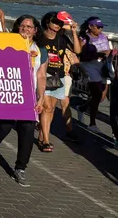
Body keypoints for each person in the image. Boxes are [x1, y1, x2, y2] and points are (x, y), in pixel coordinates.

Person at [0, 15, 47, 187]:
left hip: (30, 96)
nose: (26, 29)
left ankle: (20, 168)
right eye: (22, 26)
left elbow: (40, 75)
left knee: (27, 130)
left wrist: (41, 97)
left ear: (35, 30)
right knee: (4, 125)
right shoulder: (8, 44)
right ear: (18, 28)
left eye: (29, 26)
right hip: (10, 91)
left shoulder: (40, 49)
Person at [37, 12, 82, 150]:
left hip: (58, 76)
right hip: (44, 75)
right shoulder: (40, 38)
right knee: (47, 107)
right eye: (55, 22)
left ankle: (41, 136)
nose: (58, 25)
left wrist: (74, 32)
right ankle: (45, 140)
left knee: (50, 109)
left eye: (60, 23)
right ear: (47, 22)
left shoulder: (62, 38)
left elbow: (77, 50)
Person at [76, 43, 106, 134]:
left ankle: (82, 108)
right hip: (94, 81)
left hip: (97, 81)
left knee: (96, 99)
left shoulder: (91, 62)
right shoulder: (92, 63)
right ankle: (92, 124)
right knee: (96, 99)